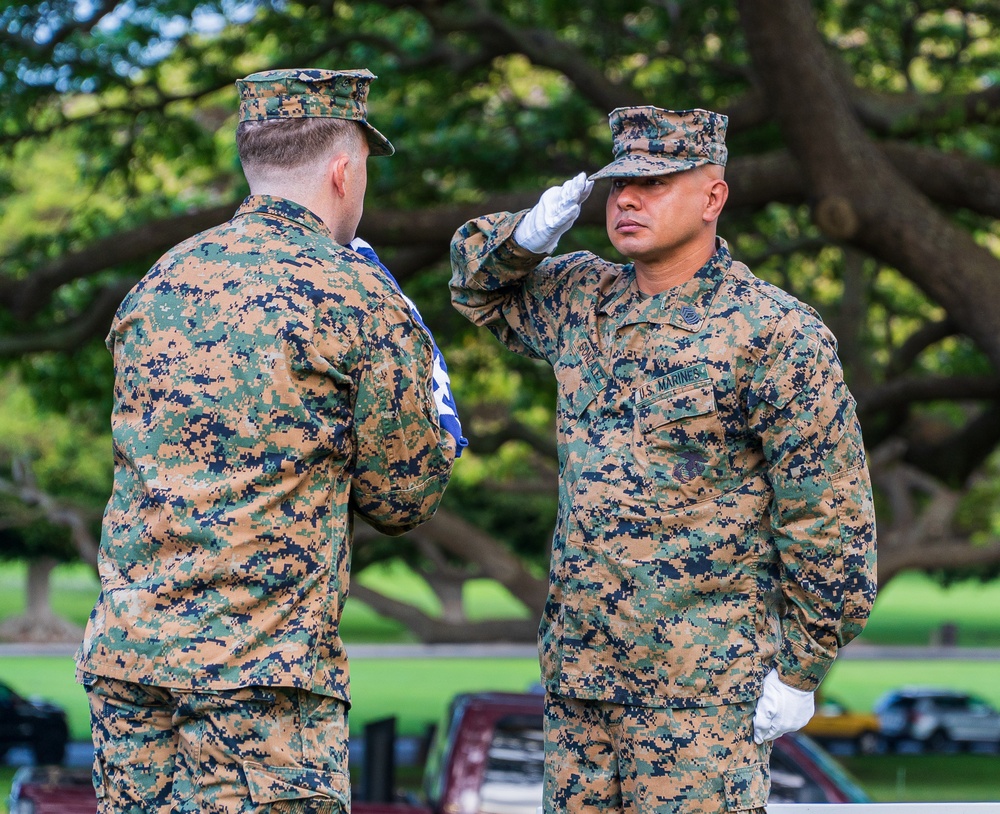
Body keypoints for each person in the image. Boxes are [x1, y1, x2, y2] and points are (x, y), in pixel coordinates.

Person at [450, 106, 876, 813]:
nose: (627, 200)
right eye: (619, 185)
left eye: (656, 183)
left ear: (714, 197)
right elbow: (475, 287)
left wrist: (804, 669)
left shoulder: (773, 333)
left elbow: (828, 515)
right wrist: (524, 237)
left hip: (699, 698)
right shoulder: (583, 298)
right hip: (582, 683)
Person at [76, 68, 459, 814]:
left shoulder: (159, 283)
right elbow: (403, 498)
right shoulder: (357, 295)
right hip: (262, 688)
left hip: (131, 669)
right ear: (345, 171)